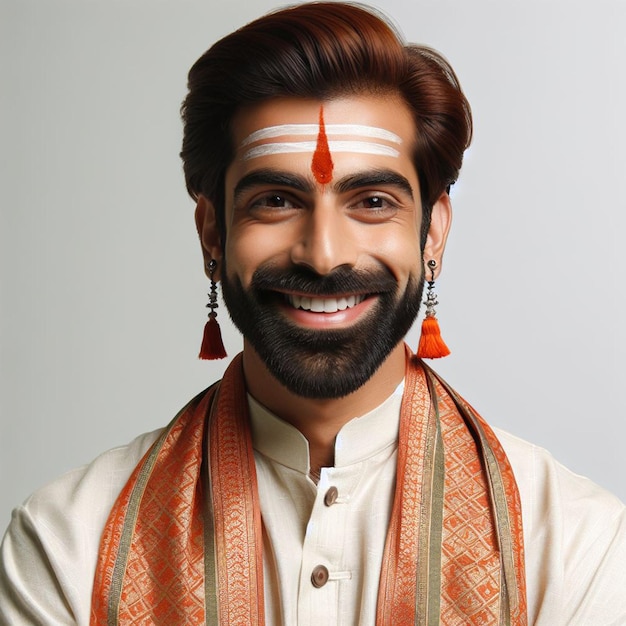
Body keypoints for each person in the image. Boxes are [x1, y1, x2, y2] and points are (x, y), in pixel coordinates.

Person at [1, 3, 625, 625]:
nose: (324, 255)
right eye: (276, 200)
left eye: (373, 201)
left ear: (432, 234)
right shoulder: (71, 546)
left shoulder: (572, 546)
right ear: (212, 232)